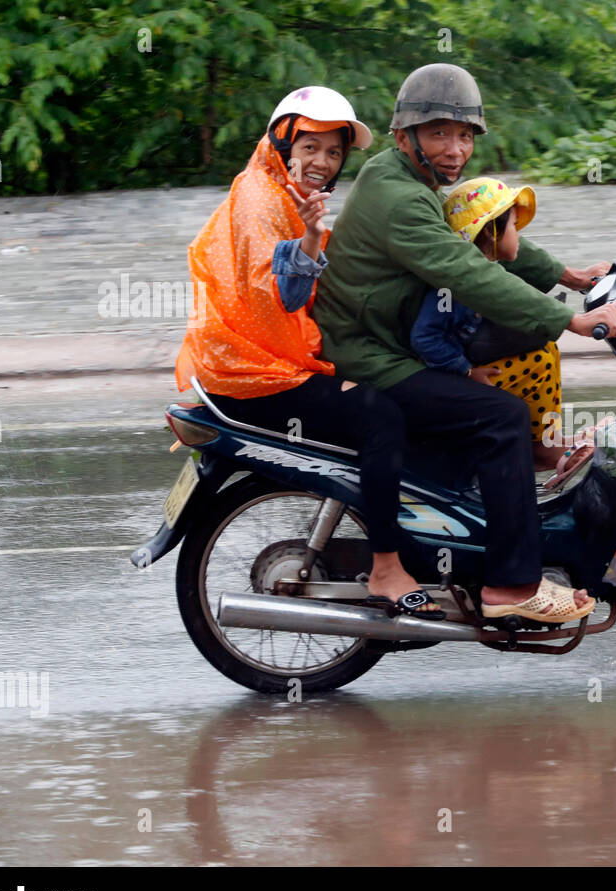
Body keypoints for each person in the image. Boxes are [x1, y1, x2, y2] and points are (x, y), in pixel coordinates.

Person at [312, 63, 616, 625]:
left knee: (521, 354)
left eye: (464, 135)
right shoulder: (401, 199)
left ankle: (493, 496)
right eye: (439, 132)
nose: (455, 148)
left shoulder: (408, 182)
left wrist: (571, 277)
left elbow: (485, 237)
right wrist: (571, 322)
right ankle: (512, 586)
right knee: (502, 417)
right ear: (404, 135)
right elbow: (466, 270)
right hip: (373, 354)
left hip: (394, 336)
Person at [175, 85, 444, 620]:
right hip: (254, 372)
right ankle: (388, 568)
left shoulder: (283, 196)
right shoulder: (260, 200)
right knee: (381, 417)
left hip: (260, 359)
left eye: (334, 151)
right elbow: (279, 298)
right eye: (310, 147)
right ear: (282, 144)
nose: (322, 161)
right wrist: (313, 240)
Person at [409, 176, 570, 470]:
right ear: (490, 233)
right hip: (449, 379)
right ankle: (541, 449)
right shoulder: (454, 285)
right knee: (538, 363)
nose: (519, 235)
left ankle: (546, 440)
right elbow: (425, 337)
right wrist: (466, 371)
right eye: (512, 226)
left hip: (464, 365)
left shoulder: (488, 269)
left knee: (547, 350)